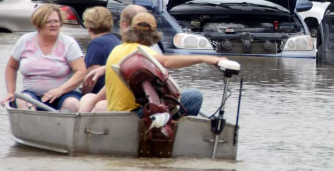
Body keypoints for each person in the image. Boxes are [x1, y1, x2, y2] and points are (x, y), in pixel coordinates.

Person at [81, 12, 226, 116]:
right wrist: (207, 58)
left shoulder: (117, 49)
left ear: (130, 30)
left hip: (116, 114)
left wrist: (94, 99)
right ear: (154, 36)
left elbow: (114, 84)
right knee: (194, 96)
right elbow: (166, 62)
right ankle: (178, 135)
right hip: (135, 114)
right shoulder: (141, 51)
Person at [1, 4, 86, 110]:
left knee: (72, 104)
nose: (53, 25)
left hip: (64, 94)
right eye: (48, 22)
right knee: (23, 102)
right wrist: (10, 92)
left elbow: (81, 72)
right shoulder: (25, 41)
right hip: (32, 95)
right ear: (38, 25)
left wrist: (59, 90)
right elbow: (11, 67)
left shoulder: (68, 43)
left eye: (56, 21)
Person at [81, 6, 120, 95]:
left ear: (88, 25)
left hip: (100, 95)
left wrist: (83, 96)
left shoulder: (97, 44)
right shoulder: (115, 40)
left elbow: (91, 79)